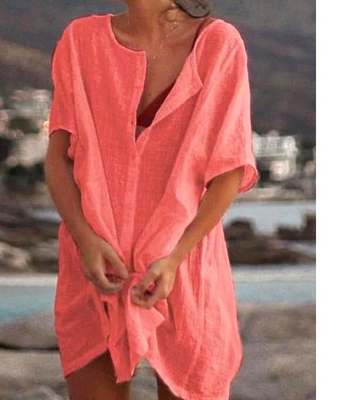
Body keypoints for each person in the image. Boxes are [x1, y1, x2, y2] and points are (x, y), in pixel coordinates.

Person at [44, 0, 259, 399]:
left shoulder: (217, 44)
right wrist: (85, 240)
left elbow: (228, 171)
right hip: (94, 266)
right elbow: (58, 160)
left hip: (184, 268)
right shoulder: (80, 41)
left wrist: (174, 258)